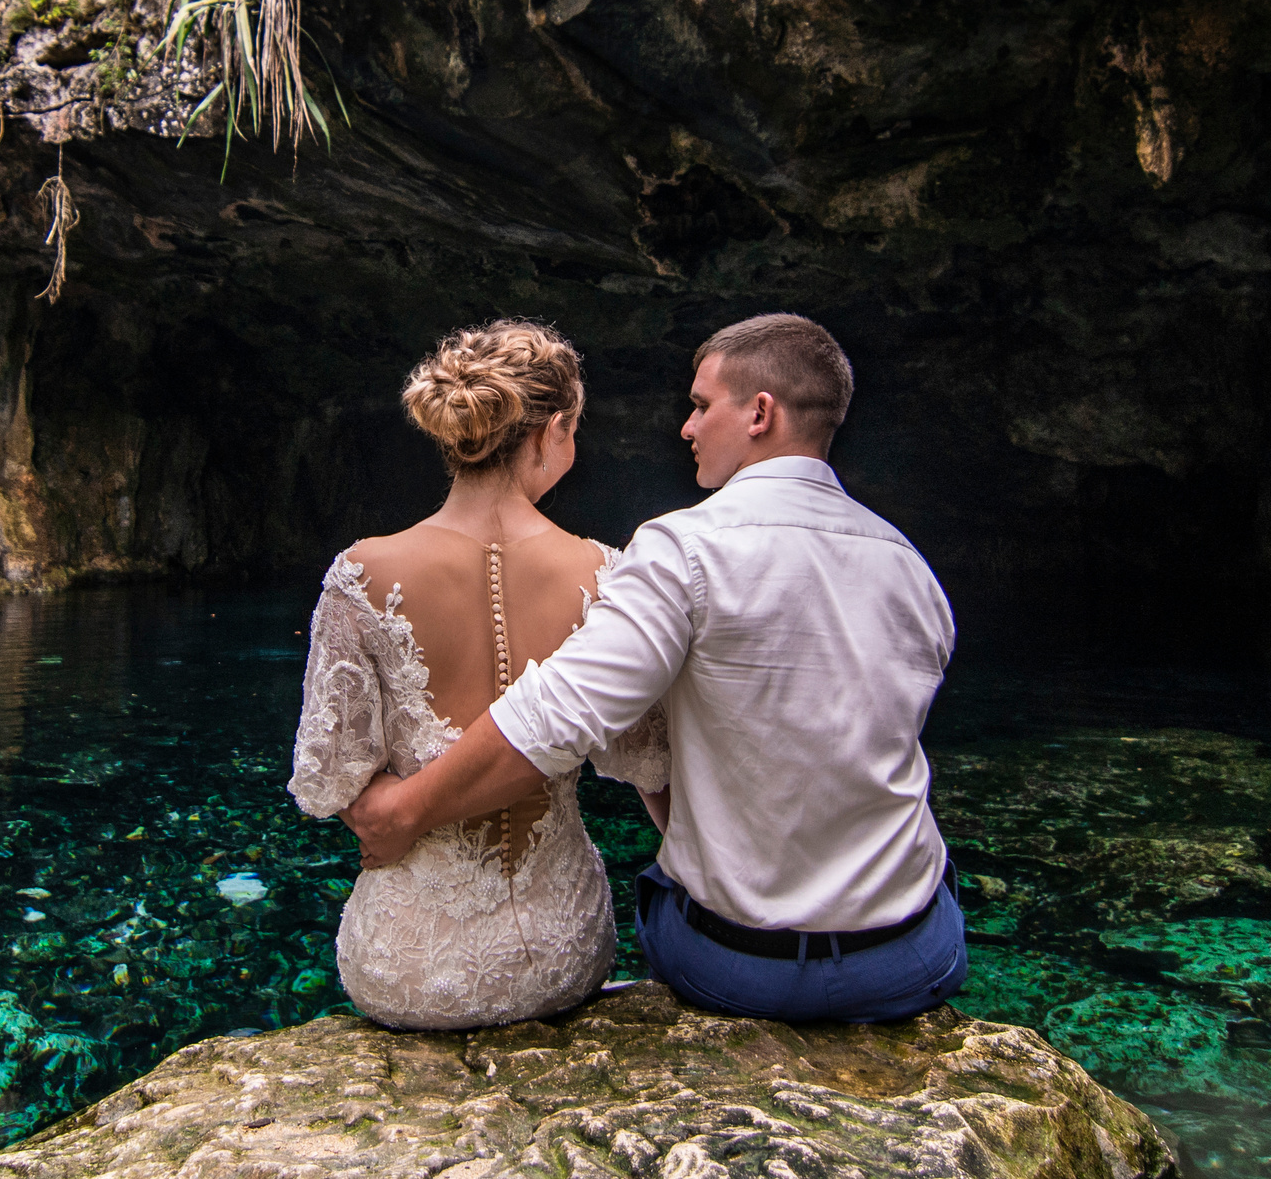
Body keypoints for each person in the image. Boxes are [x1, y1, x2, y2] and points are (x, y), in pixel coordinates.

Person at [344, 313, 964, 1024]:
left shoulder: (681, 549)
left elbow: (558, 710)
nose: (686, 428)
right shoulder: (913, 569)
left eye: (702, 406)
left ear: (761, 413)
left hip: (738, 966)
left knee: (670, 885)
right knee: (934, 871)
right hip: (905, 961)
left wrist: (405, 808)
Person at [286, 320, 669, 1031]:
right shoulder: (610, 575)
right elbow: (648, 762)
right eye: (574, 429)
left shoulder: (360, 574)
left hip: (410, 964)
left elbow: (332, 779)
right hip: (565, 949)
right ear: (551, 431)